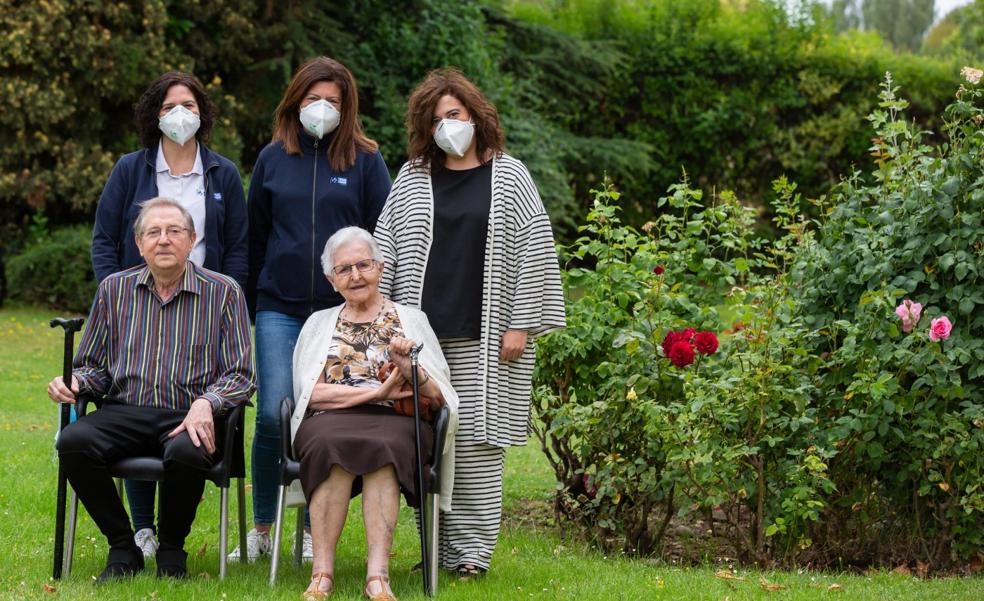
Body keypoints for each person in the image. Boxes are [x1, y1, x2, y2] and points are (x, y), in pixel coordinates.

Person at [374, 68, 566, 575]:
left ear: (476, 117)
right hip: (420, 340)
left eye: (454, 115)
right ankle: (433, 552)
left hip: (486, 338)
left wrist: (521, 323)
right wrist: (386, 322)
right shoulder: (412, 175)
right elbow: (385, 246)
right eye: (436, 119)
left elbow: (535, 250)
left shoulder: (510, 174)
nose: (446, 126)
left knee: (478, 445)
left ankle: (471, 558)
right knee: (425, 442)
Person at [46, 198, 255, 580]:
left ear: (191, 240)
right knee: (73, 441)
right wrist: (77, 382)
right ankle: (123, 547)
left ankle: (172, 551)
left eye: (174, 231)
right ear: (139, 244)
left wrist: (208, 402)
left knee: (187, 451)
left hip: (189, 413)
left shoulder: (224, 292)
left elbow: (240, 374)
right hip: (125, 410)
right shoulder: (114, 289)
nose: (163, 240)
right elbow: (94, 367)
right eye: (153, 232)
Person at [237, 56, 392, 562]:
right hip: (278, 307)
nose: (321, 108)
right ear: (295, 102)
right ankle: (263, 528)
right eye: (312, 99)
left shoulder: (366, 161)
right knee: (273, 415)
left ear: (346, 107)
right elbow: (254, 236)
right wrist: (250, 299)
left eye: (332, 100)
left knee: (321, 417)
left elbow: (378, 240)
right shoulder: (271, 159)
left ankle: (310, 531)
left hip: (340, 315)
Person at [89, 71, 249, 559]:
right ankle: (141, 529)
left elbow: (238, 248)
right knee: (136, 396)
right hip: (138, 307)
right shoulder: (129, 169)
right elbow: (103, 240)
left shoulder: (222, 173)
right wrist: (119, 303)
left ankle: (171, 533)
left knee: (184, 417)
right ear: (154, 115)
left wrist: (235, 308)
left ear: (202, 113)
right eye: (169, 106)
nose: (180, 114)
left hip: (205, 310)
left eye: (189, 104)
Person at [289, 227, 457, 601]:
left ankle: (377, 577)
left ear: (380, 268)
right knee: (329, 444)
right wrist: (374, 392)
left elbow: (439, 395)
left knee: (387, 447)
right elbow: (309, 393)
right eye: (344, 269)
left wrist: (412, 369)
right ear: (332, 281)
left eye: (363, 265)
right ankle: (321, 574)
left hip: (397, 421)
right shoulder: (319, 323)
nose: (355, 276)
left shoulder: (412, 319)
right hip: (329, 420)